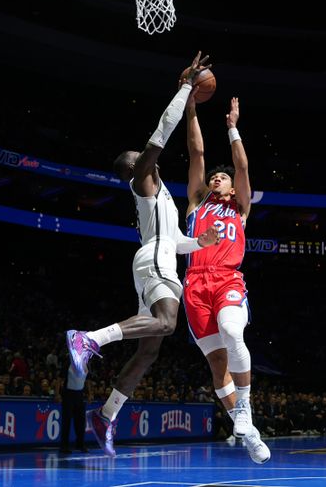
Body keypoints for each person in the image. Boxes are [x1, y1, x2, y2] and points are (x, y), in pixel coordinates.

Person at [65, 52, 219, 457]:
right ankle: (88, 338)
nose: (147, 157)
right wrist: (186, 88)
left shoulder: (161, 197)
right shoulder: (143, 180)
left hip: (158, 257)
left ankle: (106, 414)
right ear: (134, 168)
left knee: (150, 347)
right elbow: (160, 133)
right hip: (153, 263)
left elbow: (172, 240)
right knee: (167, 324)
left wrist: (199, 244)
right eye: (141, 158)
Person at [182, 94, 270, 464]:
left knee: (234, 332)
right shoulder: (196, 203)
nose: (217, 178)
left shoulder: (241, 206)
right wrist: (190, 109)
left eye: (223, 178)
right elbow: (196, 153)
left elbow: (243, 167)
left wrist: (232, 127)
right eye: (214, 177)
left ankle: (246, 409)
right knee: (218, 366)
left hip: (227, 279)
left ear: (232, 188)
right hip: (194, 285)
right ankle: (247, 431)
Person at [58, 361, 88, 454]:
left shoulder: (85, 364)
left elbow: (88, 380)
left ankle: (80, 444)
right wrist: (57, 394)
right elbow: (59, 379)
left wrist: (90, 393)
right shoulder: (68, 362)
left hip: (80, 395)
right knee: (66, 421)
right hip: (68, 394)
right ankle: (64, 446)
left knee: (81, 421)